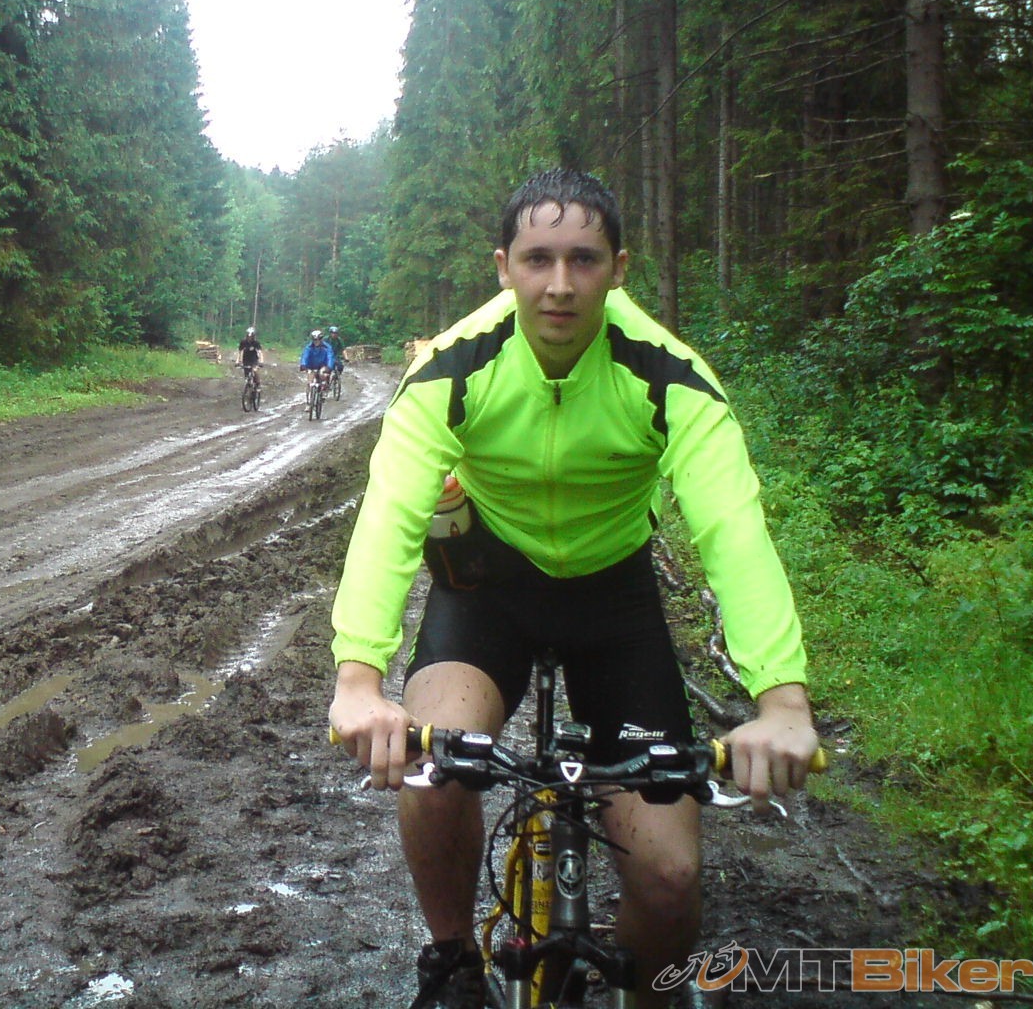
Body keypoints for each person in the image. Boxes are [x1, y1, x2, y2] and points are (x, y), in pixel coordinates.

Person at [327, 169, 817, 1009]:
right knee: (434, 773)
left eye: (584, 259)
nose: (560, 284)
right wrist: (359, 680)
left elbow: (733, 532)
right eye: (538, 259)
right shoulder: (452, 368)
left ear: (618, 269)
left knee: (668, 875)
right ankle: (452, 960)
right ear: (504, 267)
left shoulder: (669, 376)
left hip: (613, 599)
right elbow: (389, 517)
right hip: (488, 589)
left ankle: (647, 993)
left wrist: (782, 700)